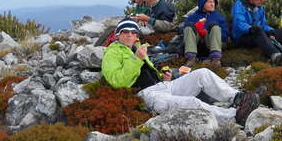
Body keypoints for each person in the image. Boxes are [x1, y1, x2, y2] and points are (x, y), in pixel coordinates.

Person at [101, 18, 260, 125]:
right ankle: (235, 116)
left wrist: (164, 77)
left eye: (133, 32)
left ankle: (239, 98)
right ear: (118, 35)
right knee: (191, 102)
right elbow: (117, 81)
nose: (130, 35)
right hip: (146, 96)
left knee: (202, 73)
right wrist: (136, 59)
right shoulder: (112, 52)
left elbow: (144, 73)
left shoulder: (135, 48)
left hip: (163, 86)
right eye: (125, 32)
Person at [183, 0, 229, 67]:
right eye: (210, 2)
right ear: (202, 3)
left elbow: (225, 36)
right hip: (196, 45)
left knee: (214, 27)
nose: (213, 4)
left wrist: (208, 31)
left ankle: (215, 60)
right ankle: (191, 59)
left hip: (212, 45)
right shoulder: (192, 17)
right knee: (189, 27)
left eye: (213, 2)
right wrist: (197, 28)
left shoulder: (219, 17)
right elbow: (184, 34)